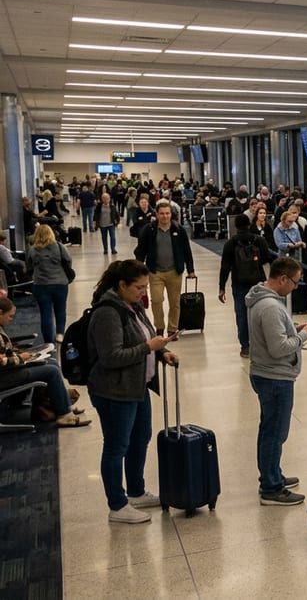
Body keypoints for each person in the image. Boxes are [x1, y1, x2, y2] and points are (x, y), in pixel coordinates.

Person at [88, 259, 180, 523]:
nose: (144, 292)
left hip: (138, 385)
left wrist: (162, 351)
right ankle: (117, 505)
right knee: (116, 446)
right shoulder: (107, 312)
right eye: (139, 287)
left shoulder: (134, 306)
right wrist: (150, 348)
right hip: (114, 391)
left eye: (145, 287)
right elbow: (111, 356)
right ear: (121, 285)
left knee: (141, 438)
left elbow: (146, 336)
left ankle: (136, 491)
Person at [246, 257, 307, 506]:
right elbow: (279, 348)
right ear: (282, 279)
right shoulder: (271, 307)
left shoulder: (265, 301)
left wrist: (294, 328)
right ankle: (271, 487)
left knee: (270, 429)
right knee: (274, 433)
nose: (296, 287)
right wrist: (303, 336)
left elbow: (274, 334)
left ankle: (272, 474)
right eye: (295, 282)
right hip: (274, 377)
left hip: (269, 374)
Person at [0, 296, 89, 428]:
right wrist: (21, 358)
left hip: (8, 371)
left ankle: (61, 405)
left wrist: (20, 355)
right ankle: (64, 414)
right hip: (5, 375)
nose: (11, 320)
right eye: (10, 316)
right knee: (51, 371)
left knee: (51, 362)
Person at [134, 200, 197, 335]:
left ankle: (172, 329)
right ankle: (159, 328)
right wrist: (138, 269)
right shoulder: (149, 230)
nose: (165, 216)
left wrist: (191, 269)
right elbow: (140, 251)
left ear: (171, 214)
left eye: (167, 213)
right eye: (162, 214)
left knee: (175, 303)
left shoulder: (178, 230)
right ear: (156, 214)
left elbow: (187, 250)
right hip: (155, 271)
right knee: (156, 300)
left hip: (175, 271)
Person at [219, 214, 272, 358]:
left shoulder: (231, 243)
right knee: (262, 313)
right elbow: (267, 258)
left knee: (241, 315)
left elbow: (225, 267)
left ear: (236, 226)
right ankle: (261, 344)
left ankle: (245, 346)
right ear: (249, 224)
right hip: (258, 282)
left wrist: (221, 287)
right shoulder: (258, 240)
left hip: (239, 282)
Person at [26, 224, 72, 343]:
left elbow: (28, 266)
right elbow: (68, 260)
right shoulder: (59, 247)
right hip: (60, 283)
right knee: (60, 309)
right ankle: (60, 334)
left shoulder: (32, 250)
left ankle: (48, 340)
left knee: (45, 312)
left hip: (40, 285)